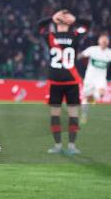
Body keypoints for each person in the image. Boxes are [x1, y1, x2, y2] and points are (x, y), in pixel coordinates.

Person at [38, 9, 90, 155]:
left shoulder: (51, 36)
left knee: (72, 114)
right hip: (59, 82)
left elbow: (40, 26)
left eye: (63, 18)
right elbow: (87, 25)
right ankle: (59, 145)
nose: (61, 20)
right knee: (56, 115)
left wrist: (54, 18)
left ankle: (70, 146)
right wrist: (57, 17)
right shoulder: (74, 35)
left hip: (64, 82)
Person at [79, 32, 110, 123]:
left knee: (101, 93)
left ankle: (92, 99)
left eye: (106, 40)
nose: (104, 41)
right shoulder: (92, 49)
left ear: (108, 42)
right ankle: (84, 115)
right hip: (89, 78)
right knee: (86, 98)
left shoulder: (109, 53)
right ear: (99, 41)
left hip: (100, 78)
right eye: (102, 39)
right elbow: (82, 55)